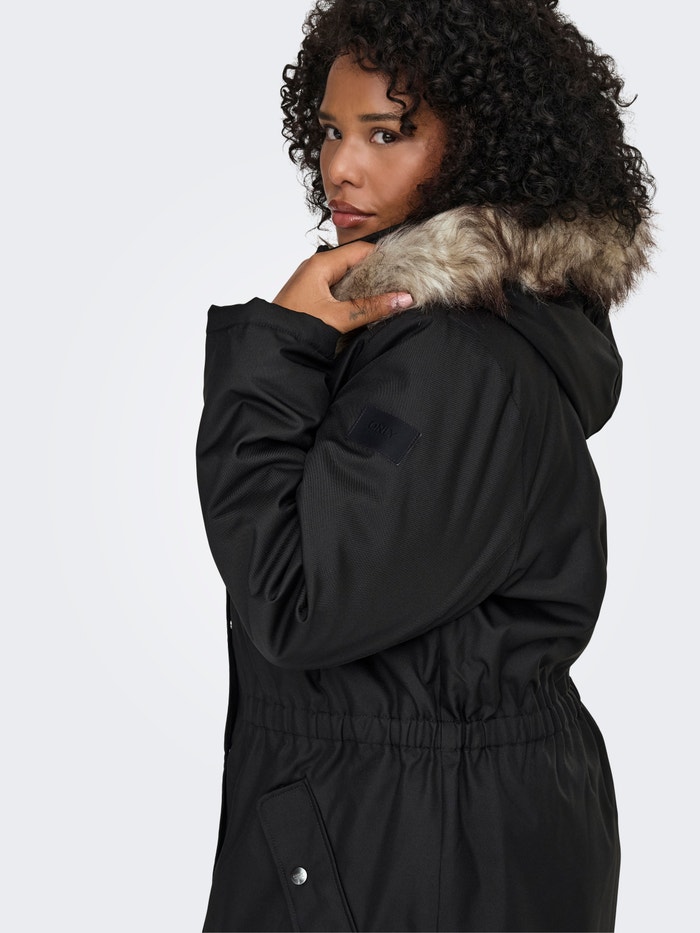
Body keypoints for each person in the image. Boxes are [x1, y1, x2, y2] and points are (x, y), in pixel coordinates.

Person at [195, 1, 654, 930]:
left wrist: (273, 351)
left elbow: (296, 598)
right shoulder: (439, 331)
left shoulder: (451, 357)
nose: (340, 166)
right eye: (331, 129)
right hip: (417, 824)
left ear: (484, 147)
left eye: (386, 133)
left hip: (408, 847)